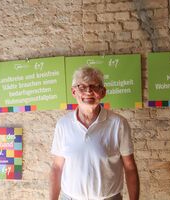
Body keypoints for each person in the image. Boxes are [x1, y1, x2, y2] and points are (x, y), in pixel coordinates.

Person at [50, 67, 140, 200]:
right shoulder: (63, 125)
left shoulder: (118, 124)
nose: (88, 91)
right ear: (73, 92)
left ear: (103, 92)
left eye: (94, 86)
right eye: (82, 86)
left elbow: (130, 167)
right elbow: (57, 167)